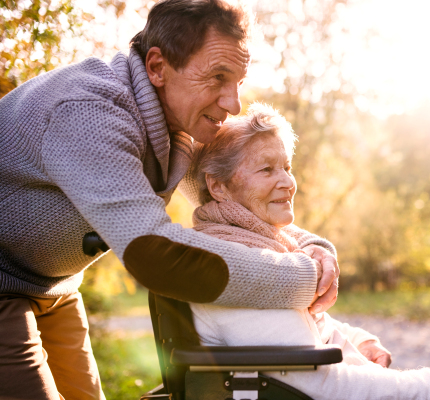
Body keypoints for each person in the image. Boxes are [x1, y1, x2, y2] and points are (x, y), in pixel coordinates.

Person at [0, 1, 338, 399]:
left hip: (52, 287)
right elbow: (155, 253)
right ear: (157, 67)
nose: (233, 104)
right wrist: (303, 277)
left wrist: (312, 248)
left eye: (238, 82)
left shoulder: (178, 122)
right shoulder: (90, 112)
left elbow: (235, 201)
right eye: (217, 77)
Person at [189, 103, 430, 400]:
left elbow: (294, 330)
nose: (288, 183)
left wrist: (357, 341)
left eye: (287, 168)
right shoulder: (233, 264)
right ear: (218, 186)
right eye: (267, 169)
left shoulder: (256, 246)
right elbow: (325, 387)